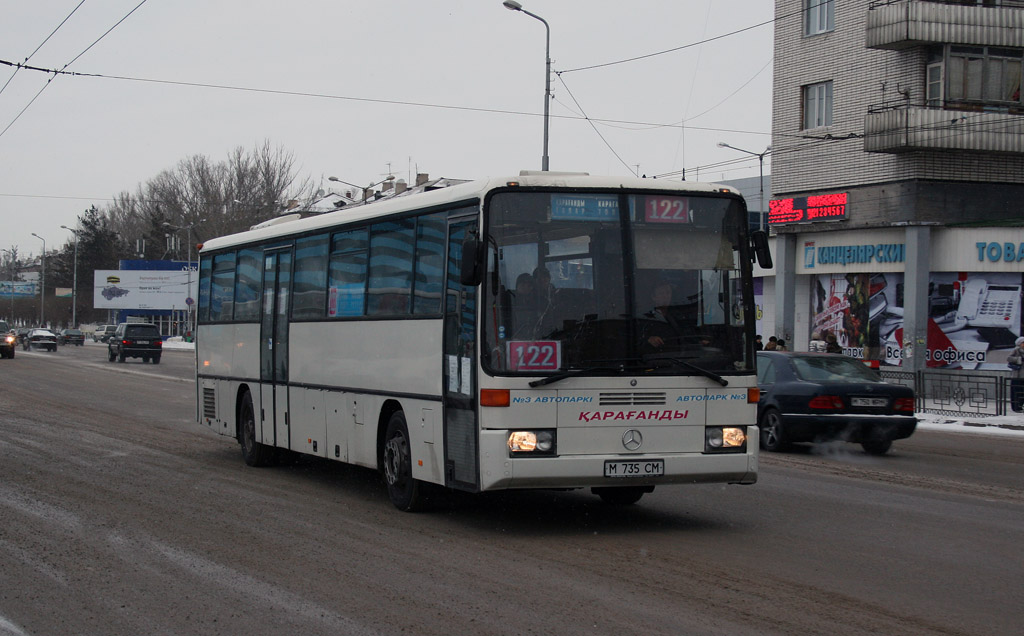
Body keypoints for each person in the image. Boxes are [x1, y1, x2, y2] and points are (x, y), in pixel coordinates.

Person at [640, 281, 683, 353]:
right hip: (656, 359)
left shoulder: (678, 316)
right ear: (653, 297)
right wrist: (649, 339)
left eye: (668, 293)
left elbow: (685, 335)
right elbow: (636, 339)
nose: (665, 296)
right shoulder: (645, 317)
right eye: (661, 293)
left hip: (678, 358)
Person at [1008, 336, 1024, 412]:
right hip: (1016, 375)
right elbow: (1009, 358)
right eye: (1023, 343)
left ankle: (1020, 406)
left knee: (1022, 392)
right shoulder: (1016, 350)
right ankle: (1016, 407)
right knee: (1016, 392)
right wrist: (1019, 359)